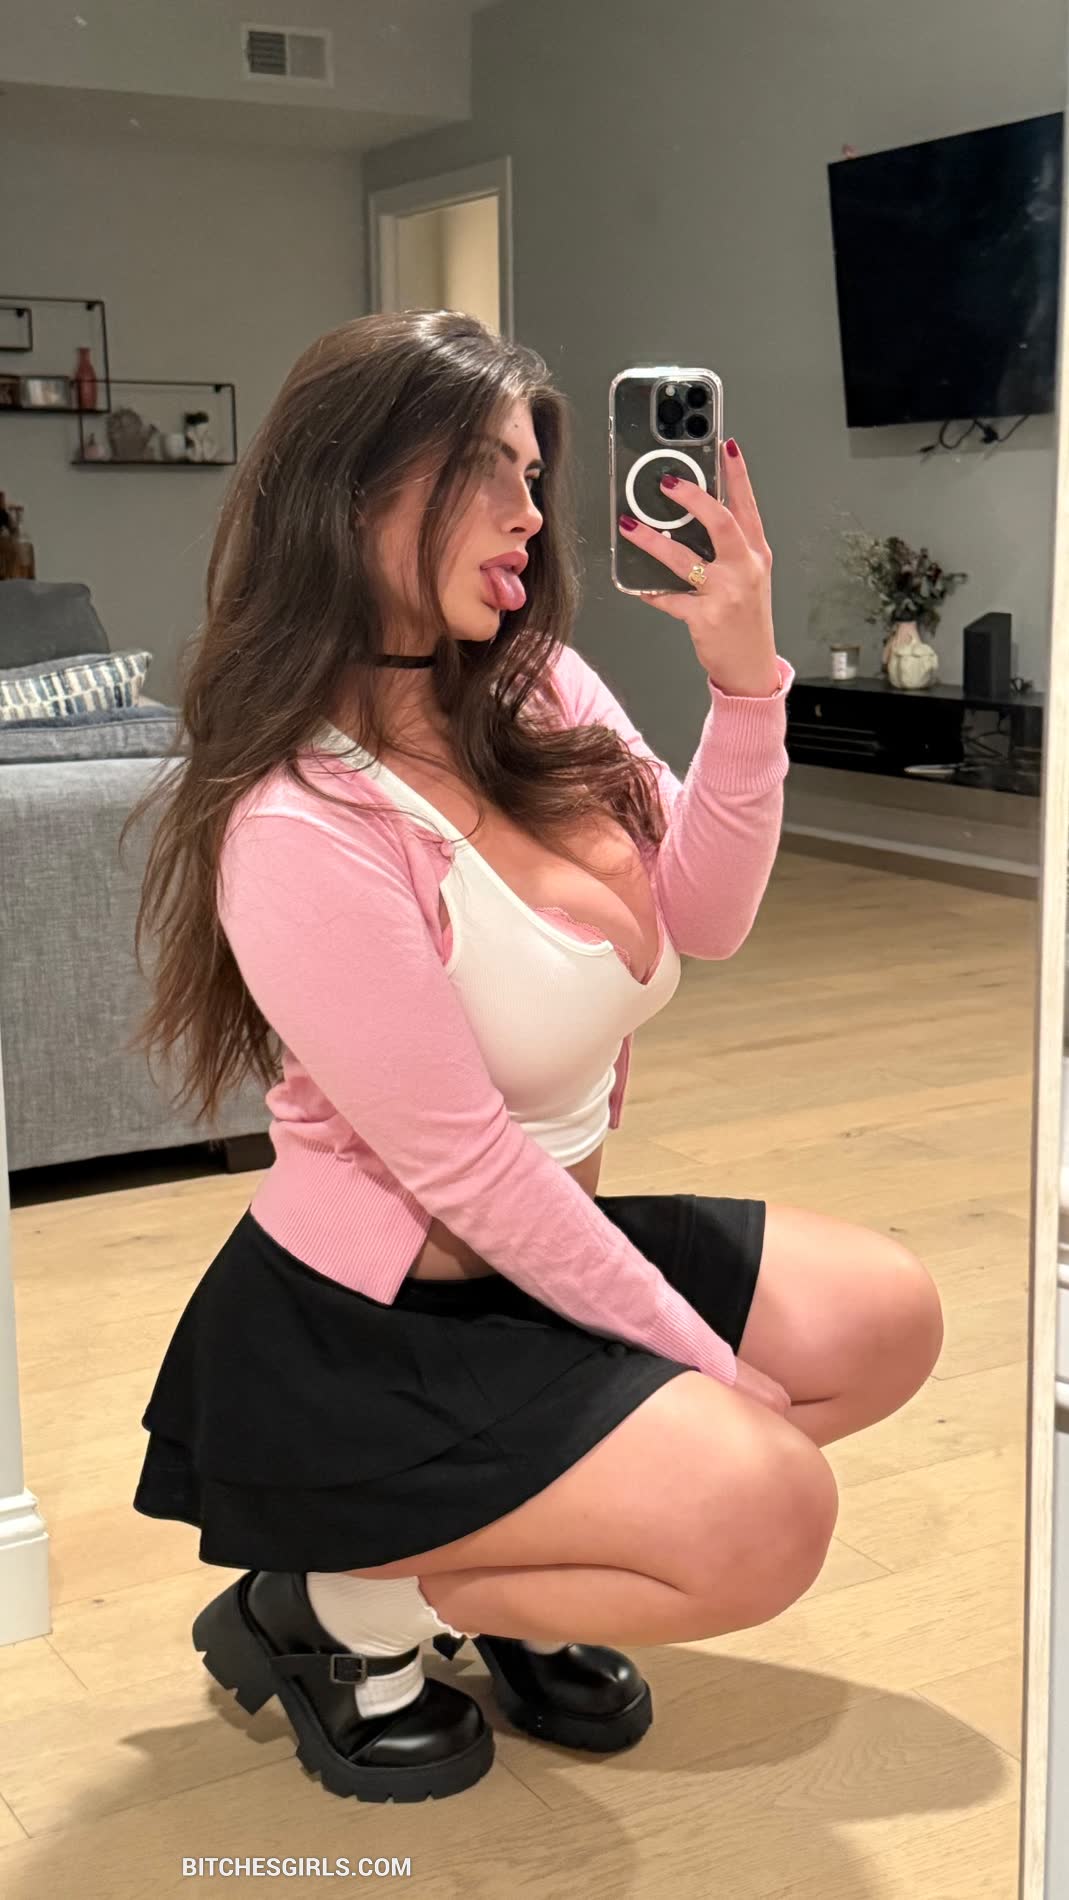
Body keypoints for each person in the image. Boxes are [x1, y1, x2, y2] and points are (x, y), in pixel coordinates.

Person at [128, 310, 943, 1806]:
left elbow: (706, 913)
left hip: (550, 1261)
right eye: (484, 470)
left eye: (531, 469)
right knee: (768, 1509)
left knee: (886, 1318)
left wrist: (745, 682)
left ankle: (511, 1567)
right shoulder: (299, 821)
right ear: (352, 491)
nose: (528, 512)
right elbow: (469, 1172)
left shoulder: (541, 686)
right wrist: (703, 1372)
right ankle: (343, 1608)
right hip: (379, 1329)